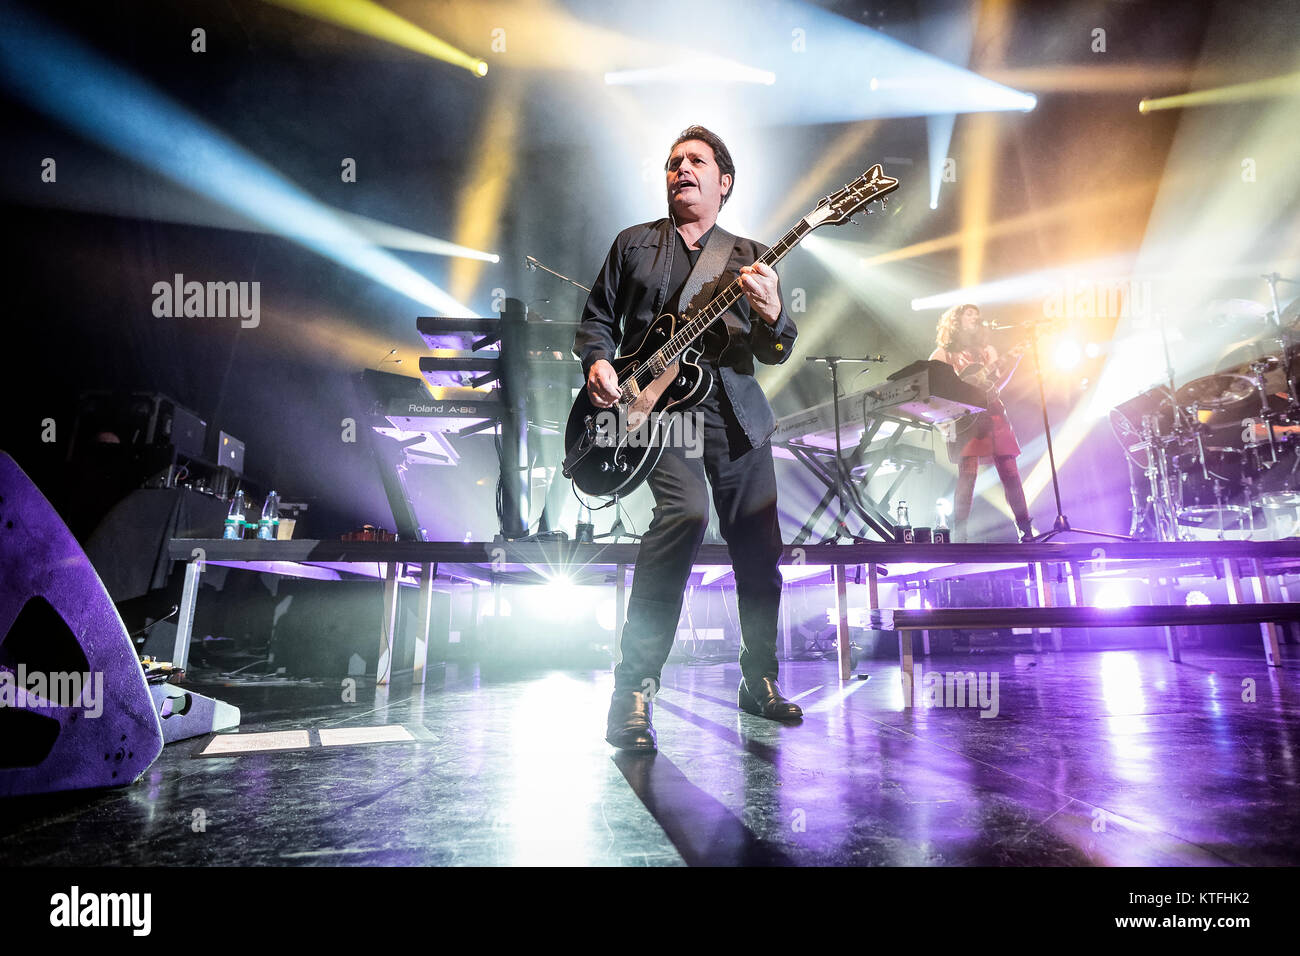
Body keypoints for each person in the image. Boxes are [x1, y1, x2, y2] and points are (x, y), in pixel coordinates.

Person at [573, 125, 802, 752]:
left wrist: (774, 309)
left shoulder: (751, 254)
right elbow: (595, 320)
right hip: (659, 411)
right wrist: (598, 362)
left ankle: (758, 679)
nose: (682, 169)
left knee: (759, 545)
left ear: (723, 183)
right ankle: (634, 689)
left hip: (737, 416)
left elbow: (777, 348)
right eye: (673, 162)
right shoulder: (633, 245)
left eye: (696, 161)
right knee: (685, 515)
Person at [929, 303, 1034, 543]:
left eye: (977, 315)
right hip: (965, 419)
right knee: (968, 474)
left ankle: (1025, 529)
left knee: (1010, 472)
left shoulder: (988, 350)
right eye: (968, 314)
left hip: (993, 413)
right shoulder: (943, 354)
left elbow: (997, 384)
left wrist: (1014, 361)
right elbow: (933, 388)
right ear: (956, 321)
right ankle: (960, 534)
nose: (974, 319)